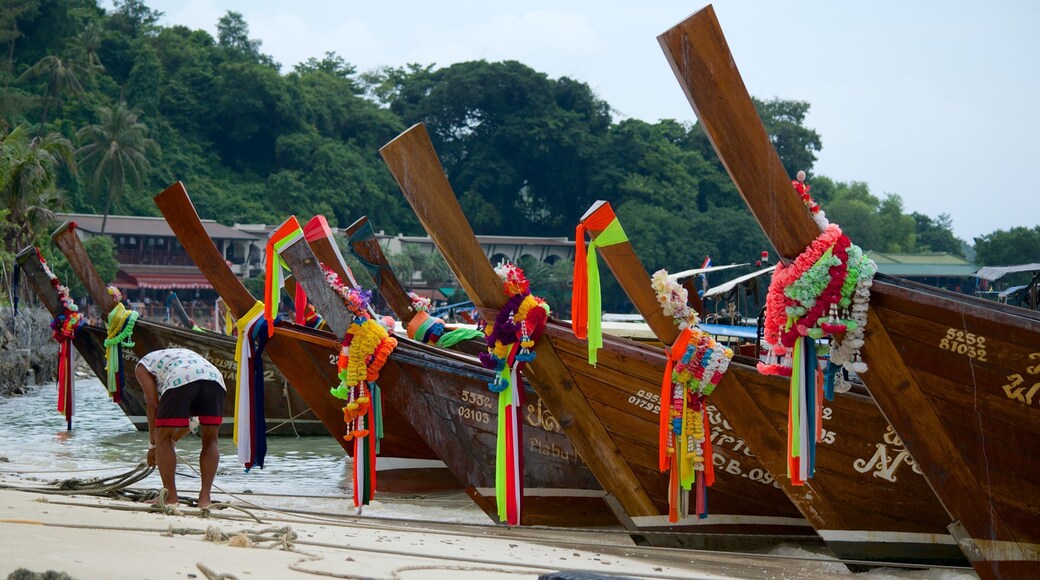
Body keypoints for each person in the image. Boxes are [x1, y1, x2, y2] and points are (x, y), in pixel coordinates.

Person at [135, 348, 226, 508]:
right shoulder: (179, 357)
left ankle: (171, 496)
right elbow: (195, 419)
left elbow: (153, 404)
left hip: (180, 379)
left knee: (162, 436)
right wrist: (173, 440)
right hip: (215, 379)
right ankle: (205, 499)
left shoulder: (142, 366)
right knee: (211, 439)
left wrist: (153, 445)